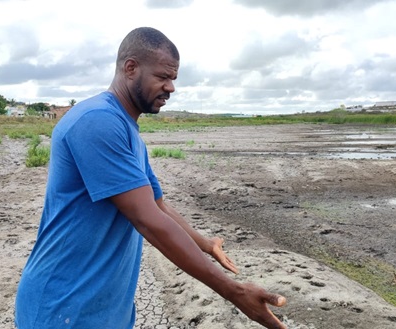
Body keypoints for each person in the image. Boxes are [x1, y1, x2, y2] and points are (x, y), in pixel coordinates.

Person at [15, 27, 287, 329]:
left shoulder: (127, 131)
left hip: (105, 307)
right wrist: (234, 292)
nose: (170, 87)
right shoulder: (96, 121)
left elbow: (158, 205)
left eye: (173, 79)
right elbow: (149, 221)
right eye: (162, 76)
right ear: (131, 68)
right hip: (64, 305)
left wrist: (206, 244)